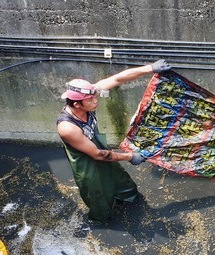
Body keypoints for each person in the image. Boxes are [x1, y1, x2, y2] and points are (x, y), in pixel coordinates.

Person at [56, 60, 171, 224]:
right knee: (98, 197)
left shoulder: (88, 95)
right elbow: (98, 155)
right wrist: (130, 157)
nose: (95, 101)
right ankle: (101, 222)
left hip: (95, 145)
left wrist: (151, 68)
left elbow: (118, 79)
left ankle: (128, 198)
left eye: (94, 96)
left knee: (124, 184)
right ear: (77, 104)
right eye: (90, 100)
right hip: (85, 162)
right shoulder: (67, 128)